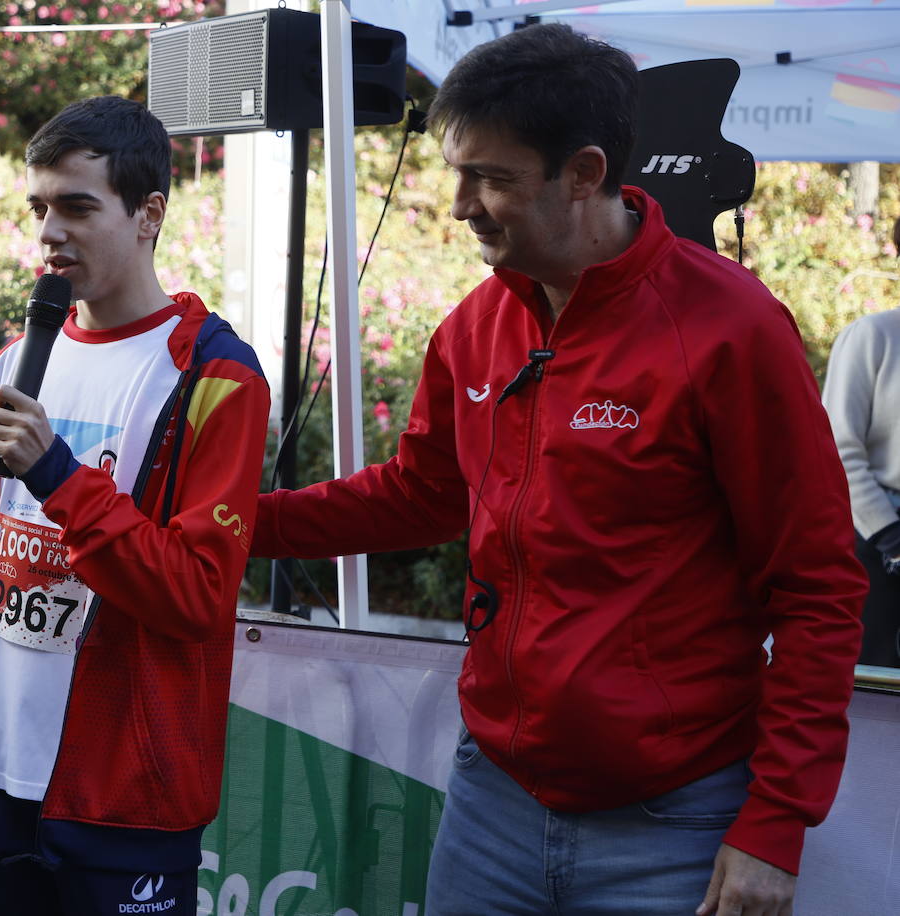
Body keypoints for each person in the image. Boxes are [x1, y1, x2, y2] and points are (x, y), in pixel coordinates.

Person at [250, 24, 865, 916]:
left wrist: (774, 824)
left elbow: (817, 587)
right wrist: (230, 519)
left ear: (584, 173)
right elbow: (424, 495)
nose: (460, 205)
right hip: (492, 803)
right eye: (457, 172)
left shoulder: (731, 328)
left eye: (492, 178)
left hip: (675, 825)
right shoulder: (475, 325)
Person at [0, 96, 270, 915]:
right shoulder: (13, 362)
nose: (48, 232)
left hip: (124, 796)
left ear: (149, 216)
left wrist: (60, 477)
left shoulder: (216, 377)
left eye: (77, 206)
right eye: (39, 208)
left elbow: (197, 593)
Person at [821, 217, 900, 668]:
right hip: (877, 538)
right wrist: (891, 537)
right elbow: (838, 448)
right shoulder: (872, 337)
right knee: (877, 685)